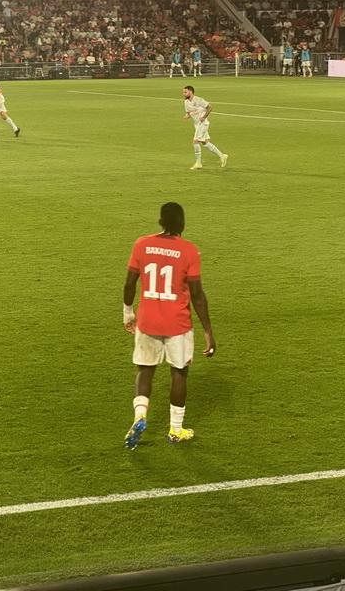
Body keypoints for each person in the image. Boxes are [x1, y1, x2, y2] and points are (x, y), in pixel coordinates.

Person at [122, 202, 216, 449]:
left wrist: (128, 313)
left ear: (160, 222)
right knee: (179, 372)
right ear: (183, 224)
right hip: (177, 324)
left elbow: (130, 283)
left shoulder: (141, 244)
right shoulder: (189, 251)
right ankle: (176, 430)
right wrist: (208, 331)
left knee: (145, 370)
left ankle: (140, 415)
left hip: (147, 320)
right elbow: (197, 294)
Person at [182, 85, 227, 170]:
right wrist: (186, 117)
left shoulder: (199, 100)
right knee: (205, 142)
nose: (183, 94)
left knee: (195, 142)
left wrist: (204, 117)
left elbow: (209, 107)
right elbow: (188, 113)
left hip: (202, 124)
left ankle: (198, 163)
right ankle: (222, 155)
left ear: (190, 92)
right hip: (197, 125)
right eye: (183, 92)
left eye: (185, 92)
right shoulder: (186, 103)